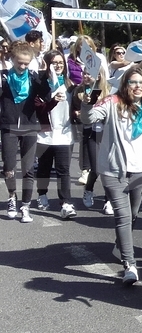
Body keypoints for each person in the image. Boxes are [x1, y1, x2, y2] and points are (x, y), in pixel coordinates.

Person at [80, 67, 142, 285]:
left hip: (141, 170)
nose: (138, 86)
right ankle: (129, 265)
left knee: (132, 215)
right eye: (133, 82)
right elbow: (88, 118)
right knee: (123, 217)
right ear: (125, 84)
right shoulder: (111, 102)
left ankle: (119, 245)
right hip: (115, 171)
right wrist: (88, 100)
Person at [1, 42, 44, 223]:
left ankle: (26, 205)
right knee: (9, 168)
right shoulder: (3, 77)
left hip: (29, 127)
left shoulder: (34, 77)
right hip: (9, 126)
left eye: (26, 63)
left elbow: (47, 95)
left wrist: (49, 76)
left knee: (28, 169)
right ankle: (12, 197)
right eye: (20, 62)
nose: (23, 66)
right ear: (12, 59)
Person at [34, 50, 76, 219]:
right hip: (44, 133)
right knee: (44, 167)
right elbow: (39, 108)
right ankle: (42, 193)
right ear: (47, 64)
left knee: (63, 170)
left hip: (65, 133)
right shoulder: (40, 84)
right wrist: (52, 100)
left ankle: (65, 203)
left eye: (60, 62)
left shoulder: (70, 84)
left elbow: (77, 104)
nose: (58, 65)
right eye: (54, 62)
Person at [74, 64, 113, 215]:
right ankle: (88, 189)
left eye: (90, 73)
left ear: (98, 76)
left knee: (109, 169)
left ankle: (108, 200)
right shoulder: (79, 91)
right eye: (84, 73)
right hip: (91, 134)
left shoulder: (108, 91)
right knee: (96, 169)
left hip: (107, 134)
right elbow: (75, 111)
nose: (86, 76)